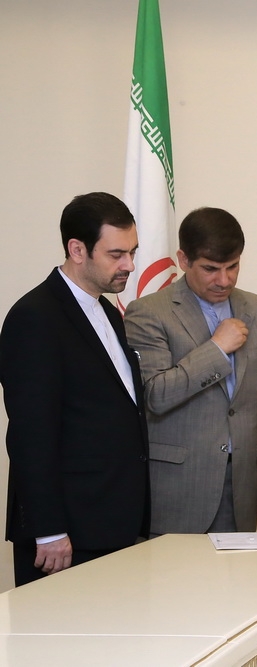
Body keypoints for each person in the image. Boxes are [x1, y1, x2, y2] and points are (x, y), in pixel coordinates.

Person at [0, 192, 150, 586]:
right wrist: (48, 530)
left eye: (133, 252)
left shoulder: (108, 312)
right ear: (77, 249)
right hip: (65, 537)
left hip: (115, 525)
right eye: (116, 254)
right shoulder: (34, 317)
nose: (130, 265)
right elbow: (31, 435)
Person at [124, 207, 257, 535]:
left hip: (242, 484)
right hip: (177, 486)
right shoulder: (148, 312)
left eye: (233, 267)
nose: (224, 280)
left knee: (238, 570)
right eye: (211, 269)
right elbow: (155, 395)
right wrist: (216, 349)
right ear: (184, 260)